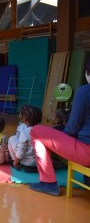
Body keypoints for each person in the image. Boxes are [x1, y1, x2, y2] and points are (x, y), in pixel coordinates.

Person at [29, 67, 90, 196]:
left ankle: (48, 183)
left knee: (36, 131)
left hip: (85, 153)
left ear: (87, 73)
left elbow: (73, 127)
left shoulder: (84, 91)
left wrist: (60, 138)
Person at [8, 105, 42, 173]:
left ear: (25, 119)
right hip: (40, 161)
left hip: (27, 161)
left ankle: (15, 161)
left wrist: (15, 162)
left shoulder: (25, 132)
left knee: (12, 138)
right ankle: (33, 167)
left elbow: (21, 150)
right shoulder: (42, 129)